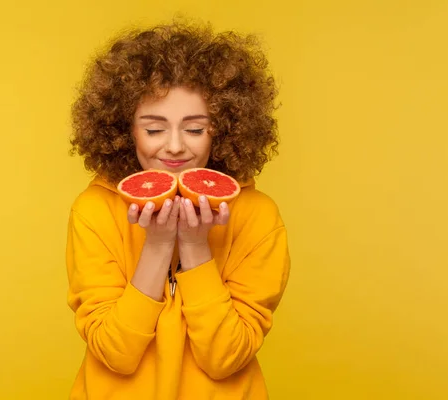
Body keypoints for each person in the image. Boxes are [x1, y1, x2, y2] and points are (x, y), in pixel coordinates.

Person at [65, 21, 291, 400]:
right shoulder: (94, 210)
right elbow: (116, 354)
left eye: (195, 129)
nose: (174, 147)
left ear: (223, 128)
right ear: (125, 130)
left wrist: (196, 246)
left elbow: (225, 358)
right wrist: (156, 245)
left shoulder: (259, 216)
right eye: (154, 130)